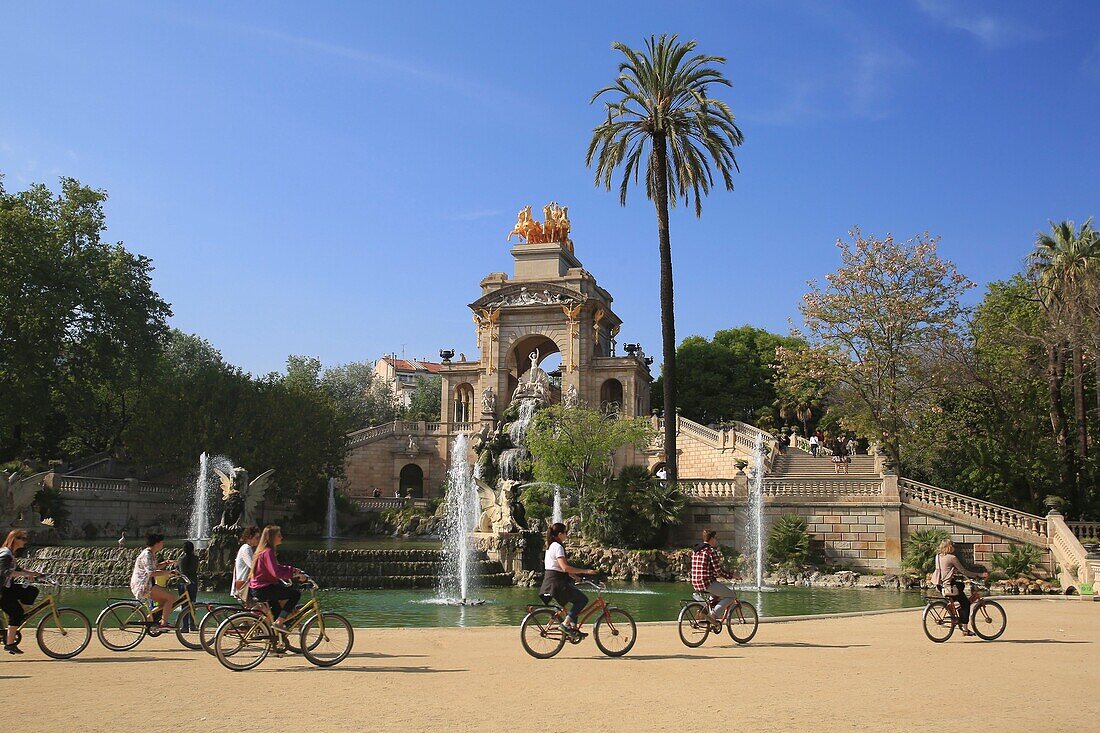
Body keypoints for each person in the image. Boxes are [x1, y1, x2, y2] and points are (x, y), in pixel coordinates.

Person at [538, 522, 597, 638]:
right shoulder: (558, 547)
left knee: (575, 600)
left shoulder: (550, 546)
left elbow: (558, 567)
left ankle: (574, 629)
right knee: (582, 600)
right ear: (560, 534)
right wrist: (586, 571)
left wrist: (576, 577)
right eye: (565, 532)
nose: (567, 535)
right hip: (558, 583)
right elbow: (565, 567)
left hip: (551, 582)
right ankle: (565, 625)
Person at [248, 525, 307, 634]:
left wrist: (294, 570)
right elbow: (276, 572)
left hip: (258, 588)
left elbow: (277, 567)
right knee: (295, 594)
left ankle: (277, 641)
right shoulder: (268, 552)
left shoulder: (263, 551)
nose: (281, 537)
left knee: (277, 612)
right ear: (272, 537)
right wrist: (294, 575)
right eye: (279, 535)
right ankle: (279, 622)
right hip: (264, 589)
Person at [930, 539, 988, 636]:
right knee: (965, 604)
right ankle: (965, 630)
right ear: (950, 547)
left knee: (960, 587)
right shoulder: (952, 558)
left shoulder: (938, 557)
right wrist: (979, 575)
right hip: (949, 586)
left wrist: (953, 572)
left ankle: (957, 609)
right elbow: (964, 571)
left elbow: (944, 570)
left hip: (940, 585)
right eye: (952, 545)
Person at [1, 530, 44, 654]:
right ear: (15, 539)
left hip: (7, 588)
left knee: (31, 591)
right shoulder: (5, 554)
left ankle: (18, 617)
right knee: (16, 612)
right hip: (2, 591)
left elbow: (16, 568)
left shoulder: (9, 553)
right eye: (23, 539)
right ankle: (9, 644)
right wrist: (24, 574)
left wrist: (34, 574)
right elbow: (4, 572)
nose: (25, 541)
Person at [690, 529, 740, 630]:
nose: (716, 540)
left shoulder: (696, 551)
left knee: (715, 596)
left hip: (695, 582)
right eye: (716, 538)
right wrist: (732, 575)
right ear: (712, 539)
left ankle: (702, 614)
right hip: (706, 583)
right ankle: (713, 615)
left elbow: (704, 568)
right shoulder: (710, 551)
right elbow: (719, 571)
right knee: (731, 596)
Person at [130, 532, 177, 630]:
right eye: (161, 542)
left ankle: (148, 618)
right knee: (170, 598)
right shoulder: (147, 554)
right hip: (143, 585)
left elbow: (154, 566)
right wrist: (168, 572)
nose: (163, 544)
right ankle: (164, 624)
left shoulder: (150, 553)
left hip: (146, 584)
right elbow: (151, 572)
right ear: (157, 543)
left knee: (164, 603)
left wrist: (166, 563)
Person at [176, 540, 200, 632]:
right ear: (193, 549)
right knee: (192, 603)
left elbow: (179, 570)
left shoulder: (181, 559)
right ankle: (193, 624)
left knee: (184, 604)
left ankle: (185, 626)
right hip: (193, 582)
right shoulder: (196, 558)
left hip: (183, 583)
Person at [233, 525, 260, 604]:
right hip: (244, 585)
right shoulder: (246, 548)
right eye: (257, 538)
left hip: (245, 584)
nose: (258, 540)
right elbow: (253, 566)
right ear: (250, 537)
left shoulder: (248, 548)